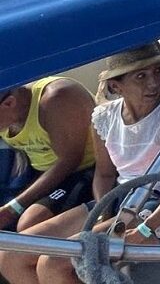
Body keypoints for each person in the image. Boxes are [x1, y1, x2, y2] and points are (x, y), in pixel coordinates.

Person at [0, 43, 160, 284]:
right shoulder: (104, 118)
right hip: (121, 196)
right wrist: (103, 210)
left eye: (158, 71)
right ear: (116, 86)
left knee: (53, 263)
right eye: (141, 76)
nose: (153, 83)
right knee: (10, 256)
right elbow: (105, 175)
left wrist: (148, 227)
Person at [0, 78, 96, 233]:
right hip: (34, 172)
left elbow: (70, 160)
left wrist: (13, 208)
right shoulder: (6, 110)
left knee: (30, 222)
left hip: (81, 171)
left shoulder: (57, 99)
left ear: (9, 103)